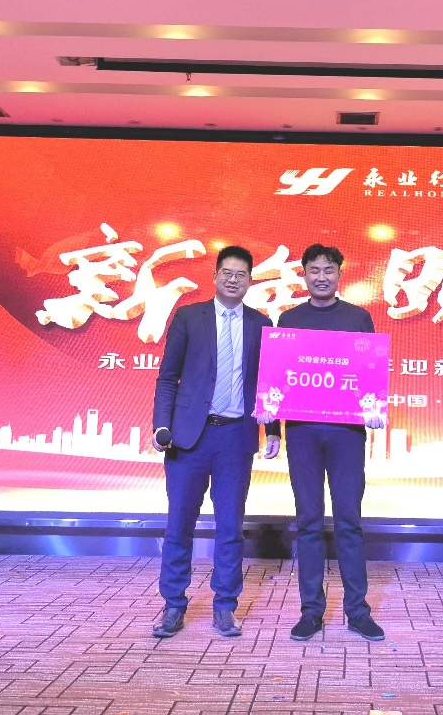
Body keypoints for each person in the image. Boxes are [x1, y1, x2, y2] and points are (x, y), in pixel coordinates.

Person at [151, 245, 281, 639]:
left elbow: (269, 383)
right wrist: (161, 426)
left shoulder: (261, 323)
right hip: (189, 439)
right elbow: (167, 377)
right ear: (215, 276)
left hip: (235, 437)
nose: (233, 279)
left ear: (250, 280)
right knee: (179, 525)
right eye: (227, 272)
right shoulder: (189, 317)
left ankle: (225, 606)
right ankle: (173, 605)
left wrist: (273, 429)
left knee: (230, 528)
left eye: (241, 274)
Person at [274, 243, 385, 642]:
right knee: (308, 522)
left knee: (349, 522)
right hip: (302, 432)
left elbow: (370, 370)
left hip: (346, 433)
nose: (321, 277)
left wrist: (375, 406)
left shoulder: (358, 318)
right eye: (314, 270)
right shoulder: (289, 319)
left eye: (329, 270)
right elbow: (277, 378)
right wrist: (273, 430)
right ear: (303, 274)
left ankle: (358, 612)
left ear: (339, 274)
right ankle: (311, 612)